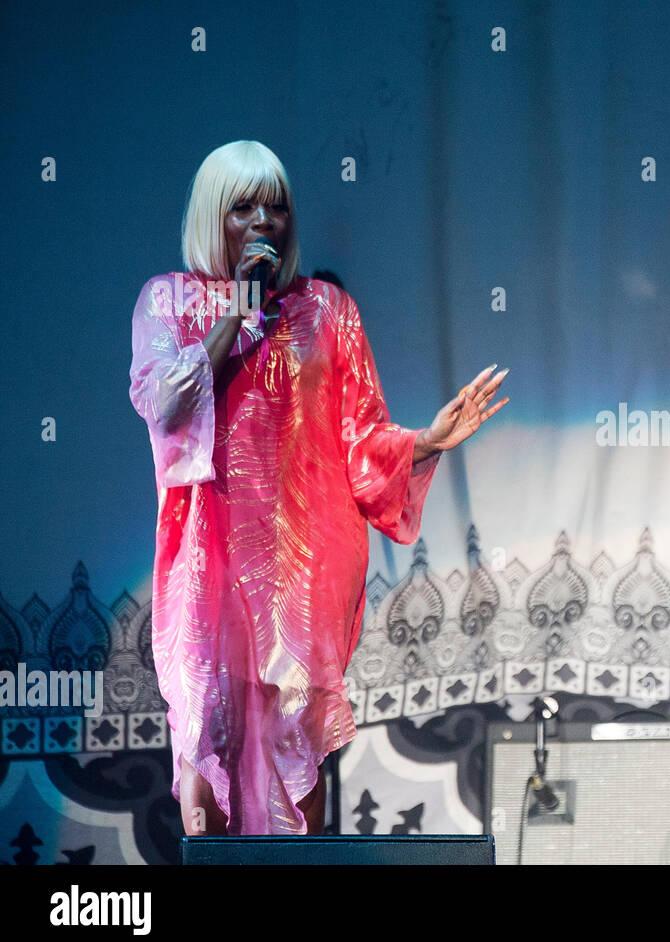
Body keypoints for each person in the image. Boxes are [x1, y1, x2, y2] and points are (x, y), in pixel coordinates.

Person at [129, 141, 508, 836]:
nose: (263, 221)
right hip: (208, 575)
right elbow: (166, 403)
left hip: (299, 583)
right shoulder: (168, 302)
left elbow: (362, 443)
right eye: (243, 206)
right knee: (203, 775)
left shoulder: (328, 310)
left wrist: (426, 441)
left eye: (276, 206)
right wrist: (238, 313)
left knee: (298, 786)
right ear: (212, 216)